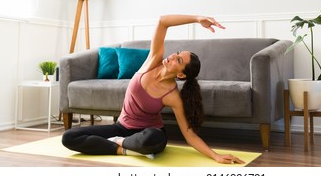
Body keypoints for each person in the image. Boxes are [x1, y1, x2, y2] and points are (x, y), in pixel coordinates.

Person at [62, 15, 244, 164]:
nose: (173, 56)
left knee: (156, 139)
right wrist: (197, 19)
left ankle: (121, 144)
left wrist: (215, 156)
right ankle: (124, 149)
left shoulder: (172, 95)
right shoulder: (153, 59)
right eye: (178, 54)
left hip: (146, 133)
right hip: (121, 127)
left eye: (178, 60)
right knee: (69, 137)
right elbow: (162, 21)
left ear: (181, 75)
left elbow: (188, 134)